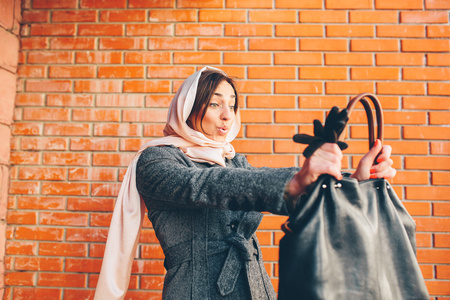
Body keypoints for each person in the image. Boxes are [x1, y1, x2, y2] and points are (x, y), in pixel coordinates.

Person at [94, 66, 396, 300]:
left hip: (256, 287)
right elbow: (205, 185)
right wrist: (297, 178)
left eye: (233, 105)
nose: (227, 115)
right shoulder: (156, 161)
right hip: (195, 291)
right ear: (188, 109)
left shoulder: (234, 160)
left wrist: (354, 179)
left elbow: (285, 191)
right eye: (214, 104)